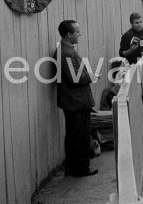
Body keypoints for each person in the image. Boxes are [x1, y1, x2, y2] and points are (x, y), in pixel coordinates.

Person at [55, 20, 98, 176]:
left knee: (75, 135)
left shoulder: (66, 50)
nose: (80, 34)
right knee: (79, 136)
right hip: (75, 102)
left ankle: (74, 167)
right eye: (77, 32)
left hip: (74, 101)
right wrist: (91, 76)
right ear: (69, 34)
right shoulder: (65, 52)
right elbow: (75, 78)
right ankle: (79, 169)